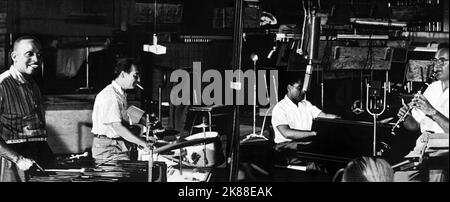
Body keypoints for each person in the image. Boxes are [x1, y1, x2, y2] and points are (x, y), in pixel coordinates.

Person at [0, 36, 55, 182]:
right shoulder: (2, 85)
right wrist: (17, 158)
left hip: (38, 152)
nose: (36, 60)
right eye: (29, 54)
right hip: (13, 160)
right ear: (14, 56)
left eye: (39, 54)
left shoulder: (33, 84)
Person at [395, 44, 449, 182]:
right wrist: (406, 117)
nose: (437, 65)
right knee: (399, 177)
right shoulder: (431, 88)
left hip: (444, 149)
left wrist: (432, 111)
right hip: (423, 144)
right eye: (435, 61)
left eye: (442, 61)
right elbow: (414, 126)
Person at [91, 58, 152, 163]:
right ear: (123, 74)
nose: (139, 80)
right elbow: (118, 128)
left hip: (116, 146)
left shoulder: (120, 94)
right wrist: (143, 143)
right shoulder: (110, 95)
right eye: (135, 75)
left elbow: (123, 122)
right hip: (108, 150)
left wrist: (142, 132)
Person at [271, 74, 340, 166]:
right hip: (285, 147)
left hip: (305, 143)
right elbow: (286, 133)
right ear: (289, 87)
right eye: (299, 88)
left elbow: (324, 116)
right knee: (316, 160)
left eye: (304, 89)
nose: (303, 92)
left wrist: (341, 119)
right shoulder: (279, 108)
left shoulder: (306, 104)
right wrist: (313, 133)